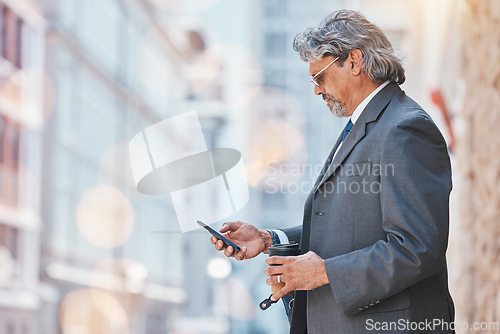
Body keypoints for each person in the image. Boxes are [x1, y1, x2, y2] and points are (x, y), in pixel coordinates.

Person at [210, 9, 455, 334]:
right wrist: (270, 239)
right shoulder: (370, 125)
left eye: (319, 77)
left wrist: (324, 272)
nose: (316, 90)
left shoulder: (404, 130)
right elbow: (348, 228)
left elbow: (417, 248)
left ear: (354, 61)